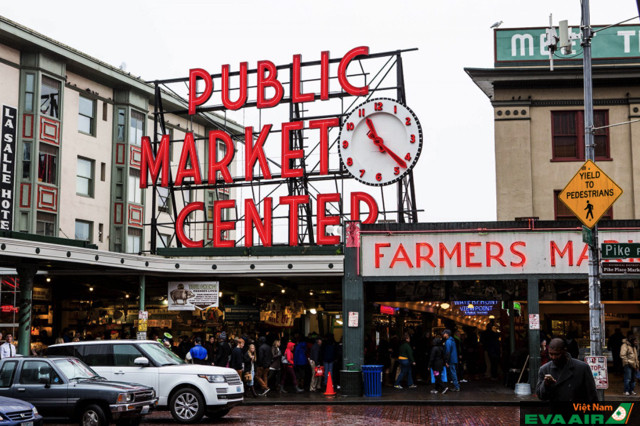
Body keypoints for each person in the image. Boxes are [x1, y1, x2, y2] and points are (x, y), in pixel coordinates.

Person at [535, 338, 598, 402]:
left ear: (564, 351)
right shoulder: (544, 369)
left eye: (557, 354)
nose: (553, 357)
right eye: (551, 354)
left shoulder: (582, 368)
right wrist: (546, 384)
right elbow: (541, 396)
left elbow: (592, 395)